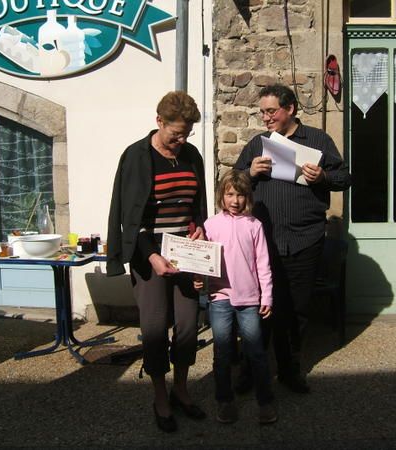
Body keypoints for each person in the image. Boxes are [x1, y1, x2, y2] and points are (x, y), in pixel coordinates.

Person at [234, 83, 351, 393]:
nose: (266, 118)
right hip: (263, 242)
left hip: (305, 239)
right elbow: (233, 183)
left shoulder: (318, 140)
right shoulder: (258, 144)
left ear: (290, 109)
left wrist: (323, 177)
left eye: (271, 111)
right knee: (258, 307)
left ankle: (290, 369)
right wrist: (250, 173)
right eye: (262, 112)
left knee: (297, 310)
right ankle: (250, 370)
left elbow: (344, 177)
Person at [106, 91, 207, 433]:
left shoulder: (191, 155)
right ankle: (160, 396)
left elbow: (197, 202)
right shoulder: (136, 156)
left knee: (188, 326)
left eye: (187, 134)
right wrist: (152, 256)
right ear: (159, 121)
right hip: (149, 253)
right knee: (153, 330)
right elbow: (130, 217)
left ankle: (181, 389)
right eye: (176, 134)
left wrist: (199, 227)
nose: (182, 141)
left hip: (185, 251)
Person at [194, 170, 277, 425]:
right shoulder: (210, 225)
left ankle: (265, 402)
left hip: (249, 300)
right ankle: (225, 401)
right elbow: (201, 258)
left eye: (240, 195)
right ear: (221, 195)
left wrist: (267, 296)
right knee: (222, 353)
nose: (235, 200)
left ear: (247, 197)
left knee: (256, 353)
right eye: (230, 194)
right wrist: (197, 279)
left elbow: (263, 264)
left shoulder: (254, 225)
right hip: (219, 297)